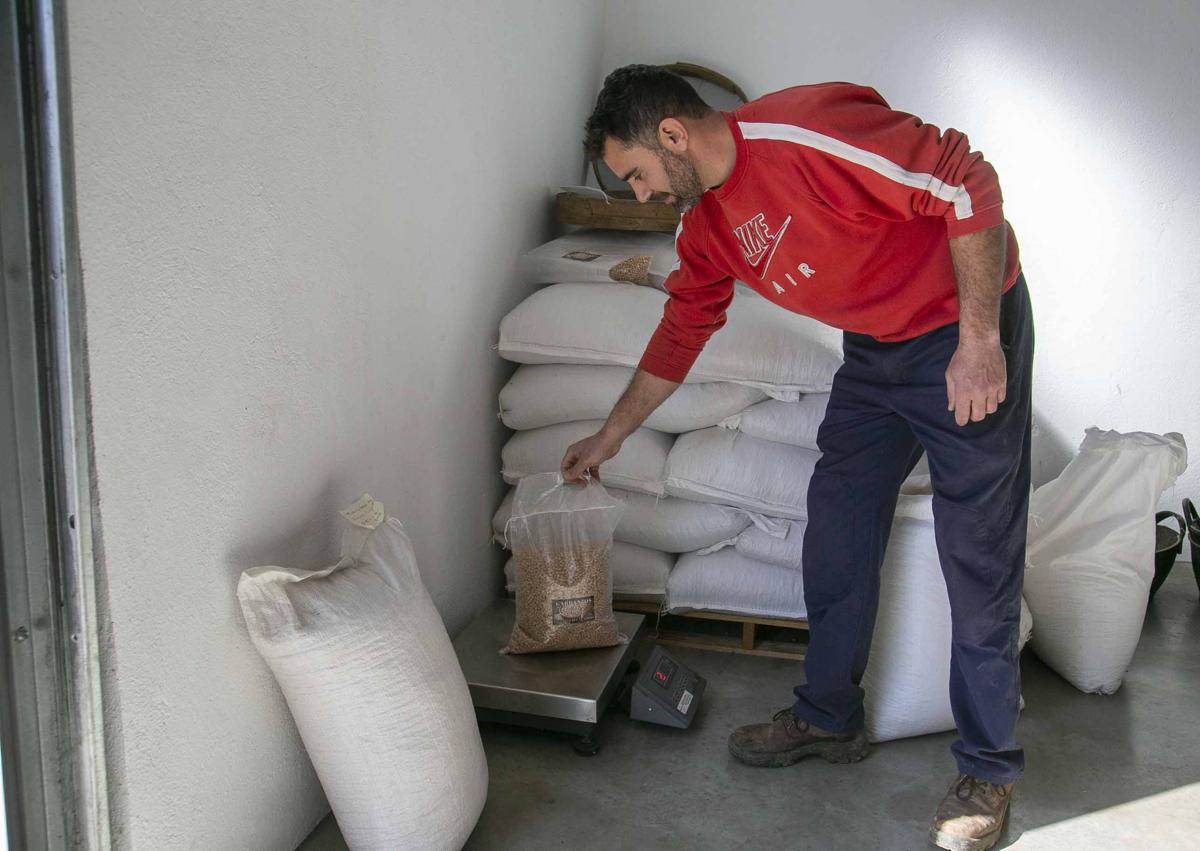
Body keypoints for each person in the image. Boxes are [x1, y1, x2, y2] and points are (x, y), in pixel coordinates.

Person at [560, 65, 1033, 851]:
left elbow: (965, 179)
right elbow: (684, 327)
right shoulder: (706, 226)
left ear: (673, 135)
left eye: (637, 174)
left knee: (977, 553)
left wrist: (981, 340)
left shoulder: (804, 135)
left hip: (961, 326)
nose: (640, 195)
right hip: (877, 353)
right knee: (838, 526)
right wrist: (612, 434)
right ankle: (826, 717)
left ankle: (988, 768)